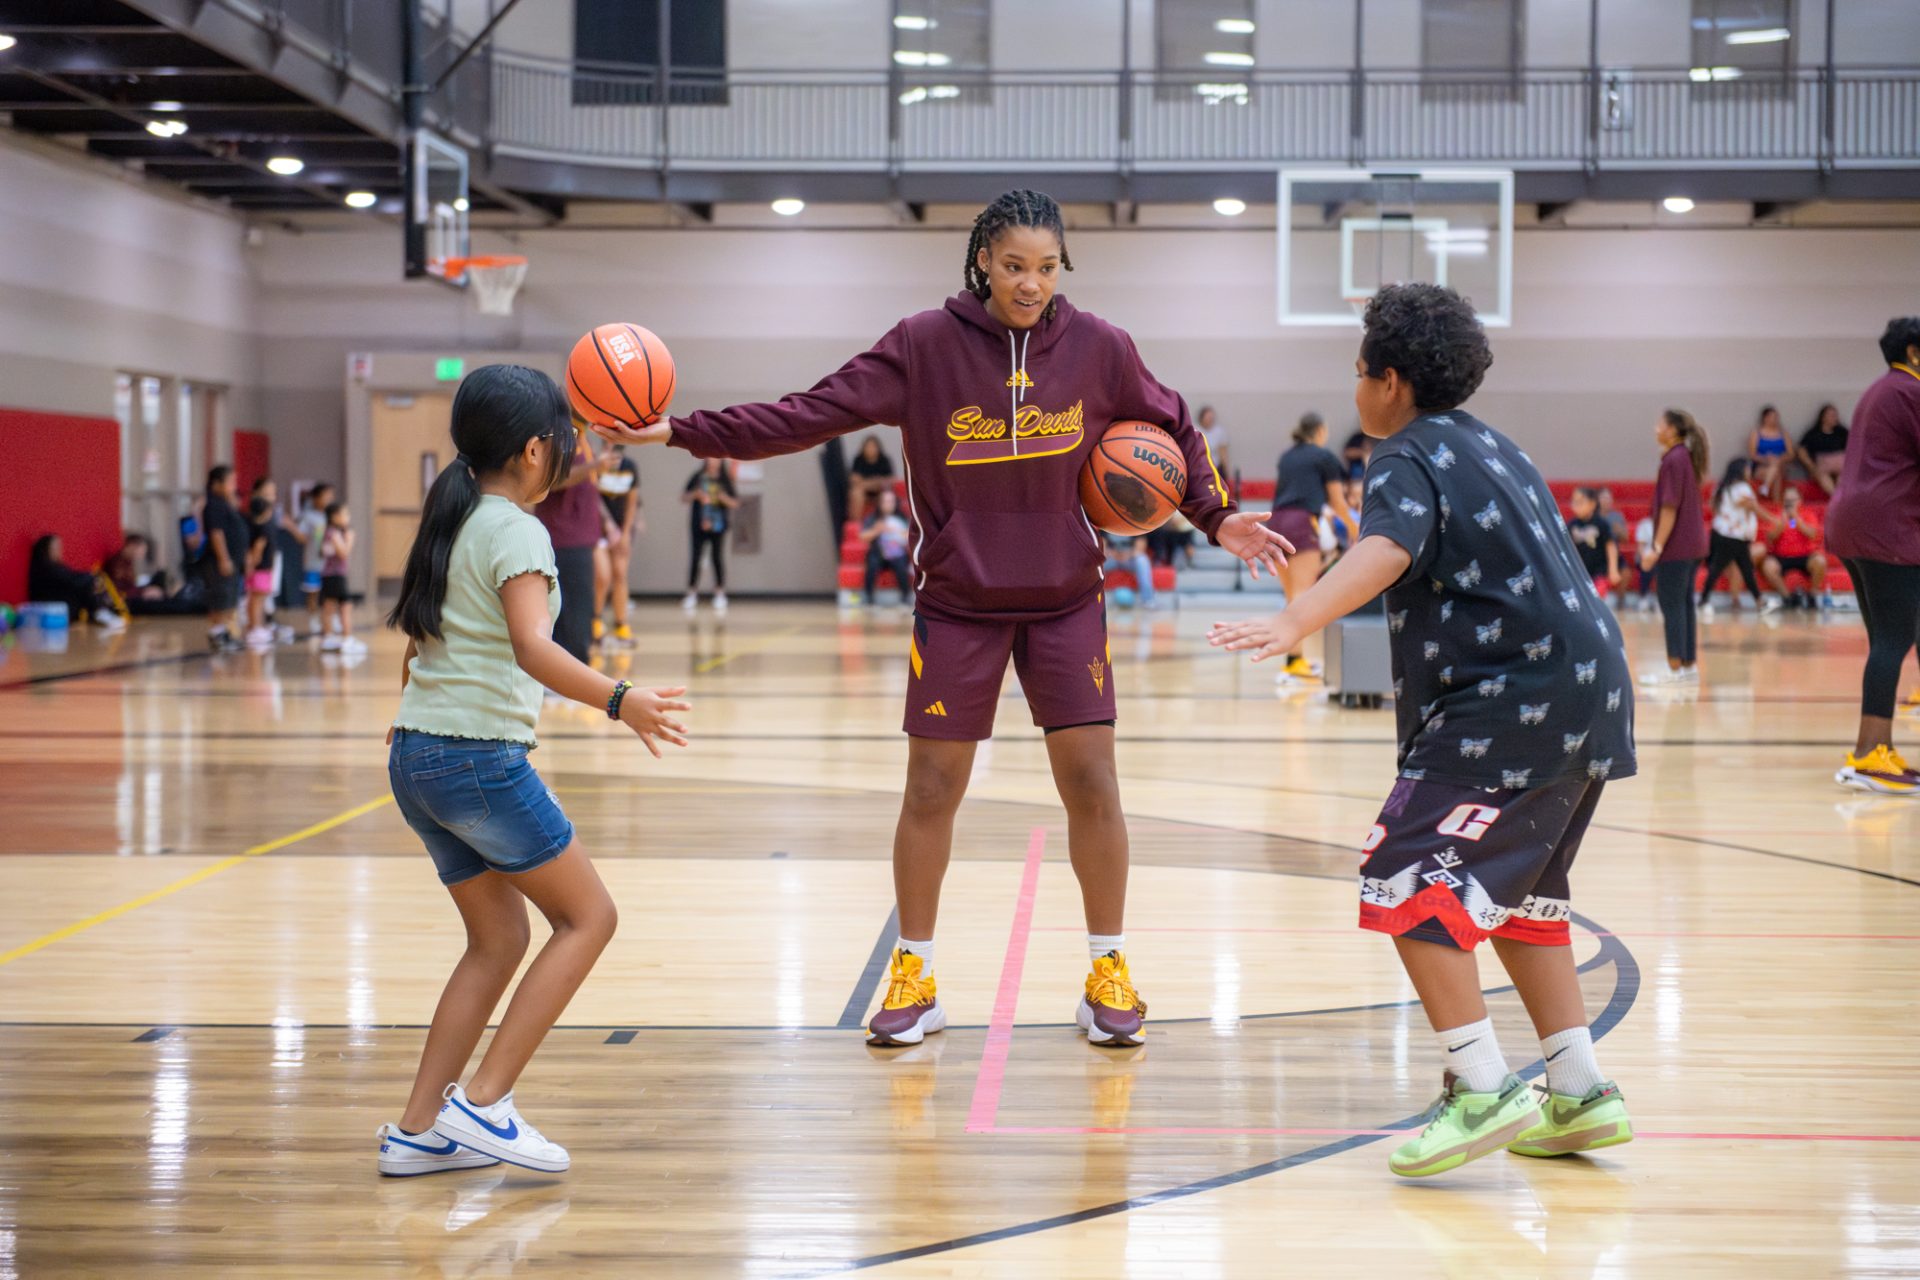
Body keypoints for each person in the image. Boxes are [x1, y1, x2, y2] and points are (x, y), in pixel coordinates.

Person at [588, 188, 1288, 1049]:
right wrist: (679, 434)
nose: (1030, 284)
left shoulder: (1102, 348)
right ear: (982, 263)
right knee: (929, 791)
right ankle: (914, 974)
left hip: (1067, 599)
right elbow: (809, 413)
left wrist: (1216, 517)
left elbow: (1172, 423)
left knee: (1094, 784)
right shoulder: (923, 345)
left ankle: (1108, 968)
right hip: (959, 602)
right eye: (1013, 266)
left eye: (1045, 267)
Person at [1212, 283, 1636, 1179]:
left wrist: (1298, 620)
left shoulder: (1402, 453)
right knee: (1527, 902)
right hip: (1588, 687)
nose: (1355, 390)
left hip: (1508, 695)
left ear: (1391, 382)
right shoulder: (1495, 443)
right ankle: (1580, 1090)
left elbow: (1385, 549)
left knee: (1403, 878)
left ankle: (1480, 1086)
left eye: (1360, 372)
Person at [380, 363, 690, 1178]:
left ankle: (419, 1128)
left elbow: (420, 641)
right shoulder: (517, 529)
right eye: (566, 441)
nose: (571, 452)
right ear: (530, 452)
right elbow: (533, 646)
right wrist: (623, 700)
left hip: (417, 754)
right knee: (590, 919)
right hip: (476, 758)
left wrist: (419, 720)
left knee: (498, 937)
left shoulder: (455, 515)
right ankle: (483, 1103)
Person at [1826, 317, 1920, 794]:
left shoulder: (1880, 390)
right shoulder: (1910, 392)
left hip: (1856, 526)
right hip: (1887, 531)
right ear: (1914, 352)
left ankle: (1875, 751)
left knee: (1887, 638)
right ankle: (1867, 756)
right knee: (1893, 640)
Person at [1270, 411, 1358, 682]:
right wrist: (1356, 530)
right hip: (1301, 522)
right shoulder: (1324, 457)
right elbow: (1338, 503)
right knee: (1301, 595)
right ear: (1320, 431)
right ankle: (1293, 662)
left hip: (1276, 523)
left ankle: (1295, 660)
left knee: (1291, 596)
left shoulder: (1287, 456)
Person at [1639, 409, 1710, 685]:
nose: (1656, 428)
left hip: (1677, 546)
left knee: (1672, 606)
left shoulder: (1672, 459)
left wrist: (1655, 547)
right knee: (1684, 605)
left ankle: (1674, 669)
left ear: (1673, 429)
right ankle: (1688, 666)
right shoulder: (1684, 457)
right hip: (1693, 545)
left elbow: (1669, 508)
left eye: (1660, 424)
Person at [534, 428, 604, 663]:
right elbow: (554, 482)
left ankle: (573, 670)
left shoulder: (583, 438)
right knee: (567, 613)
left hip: (582, 539)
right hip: (562, 539)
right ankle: (562, 676)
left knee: (581, 610)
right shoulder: (559, 439)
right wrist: (594, 467)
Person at [1701, 459, 1780, 617]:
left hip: (1724, 534)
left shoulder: (1722, 488)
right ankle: (1703, 602)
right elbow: (1753, 507)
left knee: (1745, 569)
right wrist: (1774, 520)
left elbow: (1713, 506)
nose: (1750, 472)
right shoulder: (1742, 488)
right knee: (1718, 568)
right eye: (1748, 469)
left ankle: (1759, 602)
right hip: (1733, 536)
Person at [594, 447, 641, 648]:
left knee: (620, 574)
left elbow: (632, 503)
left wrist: (626, 533)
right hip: (598, 529)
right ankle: (595, 623)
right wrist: (607, 524)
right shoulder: (596, 465)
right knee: (603, 577)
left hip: (621, 531)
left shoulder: (630, 467)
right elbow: (593, 497)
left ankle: (621, 625)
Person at [26, 534, 124, 631]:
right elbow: (70, 579)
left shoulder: (58, 566)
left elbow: (72, 576)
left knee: (90, 581)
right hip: (50, 602)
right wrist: (90, 578)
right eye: (55, 547)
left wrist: (92, 577)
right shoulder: (44, 568)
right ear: (45, 549)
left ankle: (101, 611)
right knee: (86, 582)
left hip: (66, 601)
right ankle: (98, 612)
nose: (59, 550)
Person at [200, 464, 247, 652]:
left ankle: (224, 632)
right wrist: (224, 559)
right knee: (221, 598)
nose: (233, 487)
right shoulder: (214, 506)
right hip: (219, 562)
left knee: (229, 599)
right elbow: (216, 533)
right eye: (230, 482)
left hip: (234, 560)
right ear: (216, 484)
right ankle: (217, 634)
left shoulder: (226, 504)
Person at [1759, 487, 1830, 610]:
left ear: (1800, 501)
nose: (1790, 504)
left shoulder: (1808, 514)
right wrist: (1781, 523)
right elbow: (1770, 538)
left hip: (1805, 555)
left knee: (1820, 562)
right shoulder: (1777, 515)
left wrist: (1796, 518)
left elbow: (1812, 534)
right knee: (1768, 567)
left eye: (1793, 500)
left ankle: (1812, 596)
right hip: (1781, 556)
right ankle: (1787, 597)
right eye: (1787, 501)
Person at [319, 501, 365, 655]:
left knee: (329, 607)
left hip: (332, 576)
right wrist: (350, 539)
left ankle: (329, 637)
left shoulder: (332, 532)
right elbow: (343, 553)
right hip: (334, 576)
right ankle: (346, 639)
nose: (347, 517)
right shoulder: (333, 533)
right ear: (334, 517)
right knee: (345, 607)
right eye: (344, 514)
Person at [293, 482, 334, 637]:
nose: (329, 500)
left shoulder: (332, 516)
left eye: (331, 497)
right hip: (313, 561)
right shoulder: (308, 516)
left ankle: (329, 619)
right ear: (316, 498)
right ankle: (313, 619)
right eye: (326, 497)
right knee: (313, 592)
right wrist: (291, 526)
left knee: (331, 593)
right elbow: (301, 537)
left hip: (330, 564)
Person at [861, 488, 914, 606]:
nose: (888, 504)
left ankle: (905, 596)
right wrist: (877, 530)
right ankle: (868, 596)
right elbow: (863, 536)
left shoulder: (902, 518)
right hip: (878, 552)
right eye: (885, 501)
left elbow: (909, 537)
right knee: (871, 566)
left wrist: (901, 534)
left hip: (897, 553)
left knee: (902, 567)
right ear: (880, 503)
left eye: (891, 501)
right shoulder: (873, 518)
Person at [1564, 487, 1620, 597]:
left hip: (1600, 572)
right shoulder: (1571, 525)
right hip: (1580, 572)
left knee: (1596, 598)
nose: (1576, 506)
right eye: (1574, 502)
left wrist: (1613, 569)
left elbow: (1610, 545)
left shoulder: (1601, 524)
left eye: (1580, 502)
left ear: (1592, 504)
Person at [243, 493, 279, 647]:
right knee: (257, 600)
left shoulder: (252, 526)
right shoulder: (263, 528)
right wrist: (252, 564)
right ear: (265, 511)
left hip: (259, 568)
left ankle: (256, 627)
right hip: (261, 569)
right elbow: (258, 548)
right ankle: (255, 628)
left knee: (256, 599)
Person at [1797, 403, 1849, 496]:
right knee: (1823, 476)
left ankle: (1841, 500)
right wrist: (1811, 466)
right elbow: (1801, 450)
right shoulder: (1813, 433)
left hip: (1840, 467)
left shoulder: (1842, 432)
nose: (1835, 418)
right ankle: (1835, 498)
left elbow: (1854, 447)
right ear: (1823, 417)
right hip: (1820, 468)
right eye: (1831, 415)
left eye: (1835, 415)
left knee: (1842, 478)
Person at [848, 435, 896, 525]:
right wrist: (874, 482)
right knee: (855, 492)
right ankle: (855, 524)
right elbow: (854, 479)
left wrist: (869, 483)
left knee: (887, 494)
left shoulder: (884, 460)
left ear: (878, 448)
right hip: (864, 494)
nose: (870, 449)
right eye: (868, 446)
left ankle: (888, 523)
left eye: (873, 446)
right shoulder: (858, 460)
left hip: (880, 491)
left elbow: (891, 480)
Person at [1100, 533, 1155, 610]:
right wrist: (1113, 554)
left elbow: (1140, 547)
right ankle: (1091, 601)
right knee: (1096, 562)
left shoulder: (1133, 522)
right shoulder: (1107, 523)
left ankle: (1148, 600)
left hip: (1129, 559)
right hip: (1112, 558)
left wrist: (1127, 555)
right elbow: (1102, 547)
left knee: (1142, 560)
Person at [1747, 404, 1790, 500]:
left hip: (1780, 464)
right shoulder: (1756, 433)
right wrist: (1767, 460)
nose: (1775, 419)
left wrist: (1779, 458)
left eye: (1776, 417)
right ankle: (1775, 502)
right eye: (1772, 417)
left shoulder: (1783, 434)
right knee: (1776, 473)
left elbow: (1791, 454)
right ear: (1765, 418)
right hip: (1761, 466)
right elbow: (1752, 454)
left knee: (1776, 468)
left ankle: (1765, 487)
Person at [1195, 404, 1229, 477]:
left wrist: (1226, 470)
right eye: (1208, 417)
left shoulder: (1219, 431)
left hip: (1215, 467)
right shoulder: (1195, 431)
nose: (1210, 419)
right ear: (1201, 418)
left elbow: (1223, 453)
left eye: (1211, 417)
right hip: (1199, 467)